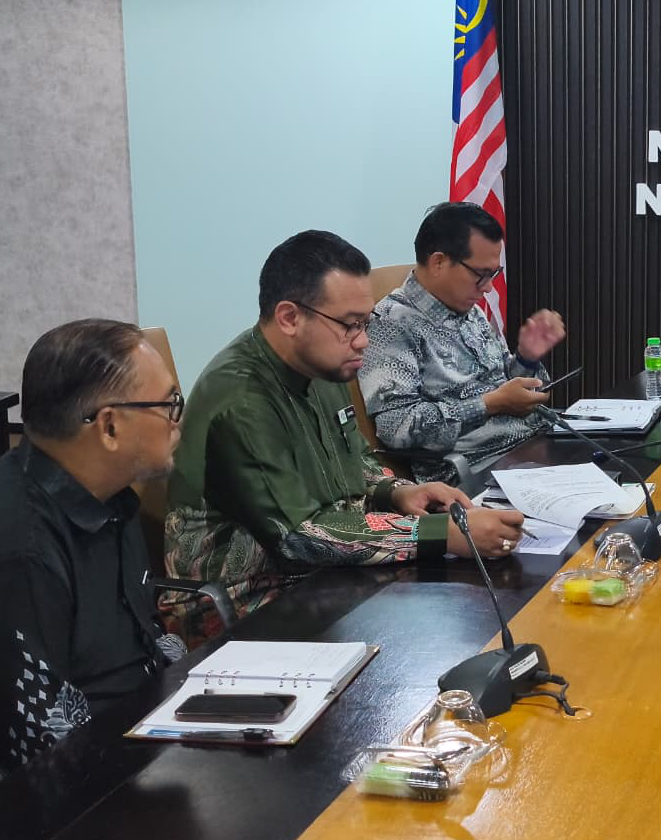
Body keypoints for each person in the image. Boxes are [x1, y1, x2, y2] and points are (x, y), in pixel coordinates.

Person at [0, 319, 184, 805]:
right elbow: (47, 757)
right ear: (109, 426)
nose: (177, 420)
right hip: (10, 817)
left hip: (129, 741)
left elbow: (139, 650)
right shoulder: (14, 556)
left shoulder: (108, 496)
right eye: (168, 404)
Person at [166, 229, 525, 622]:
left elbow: (355, 456)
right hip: (249, 600)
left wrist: (398, 491)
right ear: (290, 317)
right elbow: (301, 536)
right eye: (351, 325)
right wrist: (445, 534)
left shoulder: (321, 362)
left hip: (325, 573)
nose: (363, 341)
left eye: (365, 323)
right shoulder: (241, 401)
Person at [360, 201, 568, 476]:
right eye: (481, 274)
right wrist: (489, 405)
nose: (488, 287)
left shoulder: (469, 309)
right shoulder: (391, 325)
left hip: (528, 445)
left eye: (494, 274)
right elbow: (397, 427)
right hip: (475, 469)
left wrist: (526, 359)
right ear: (438, 262)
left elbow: (504, 389)